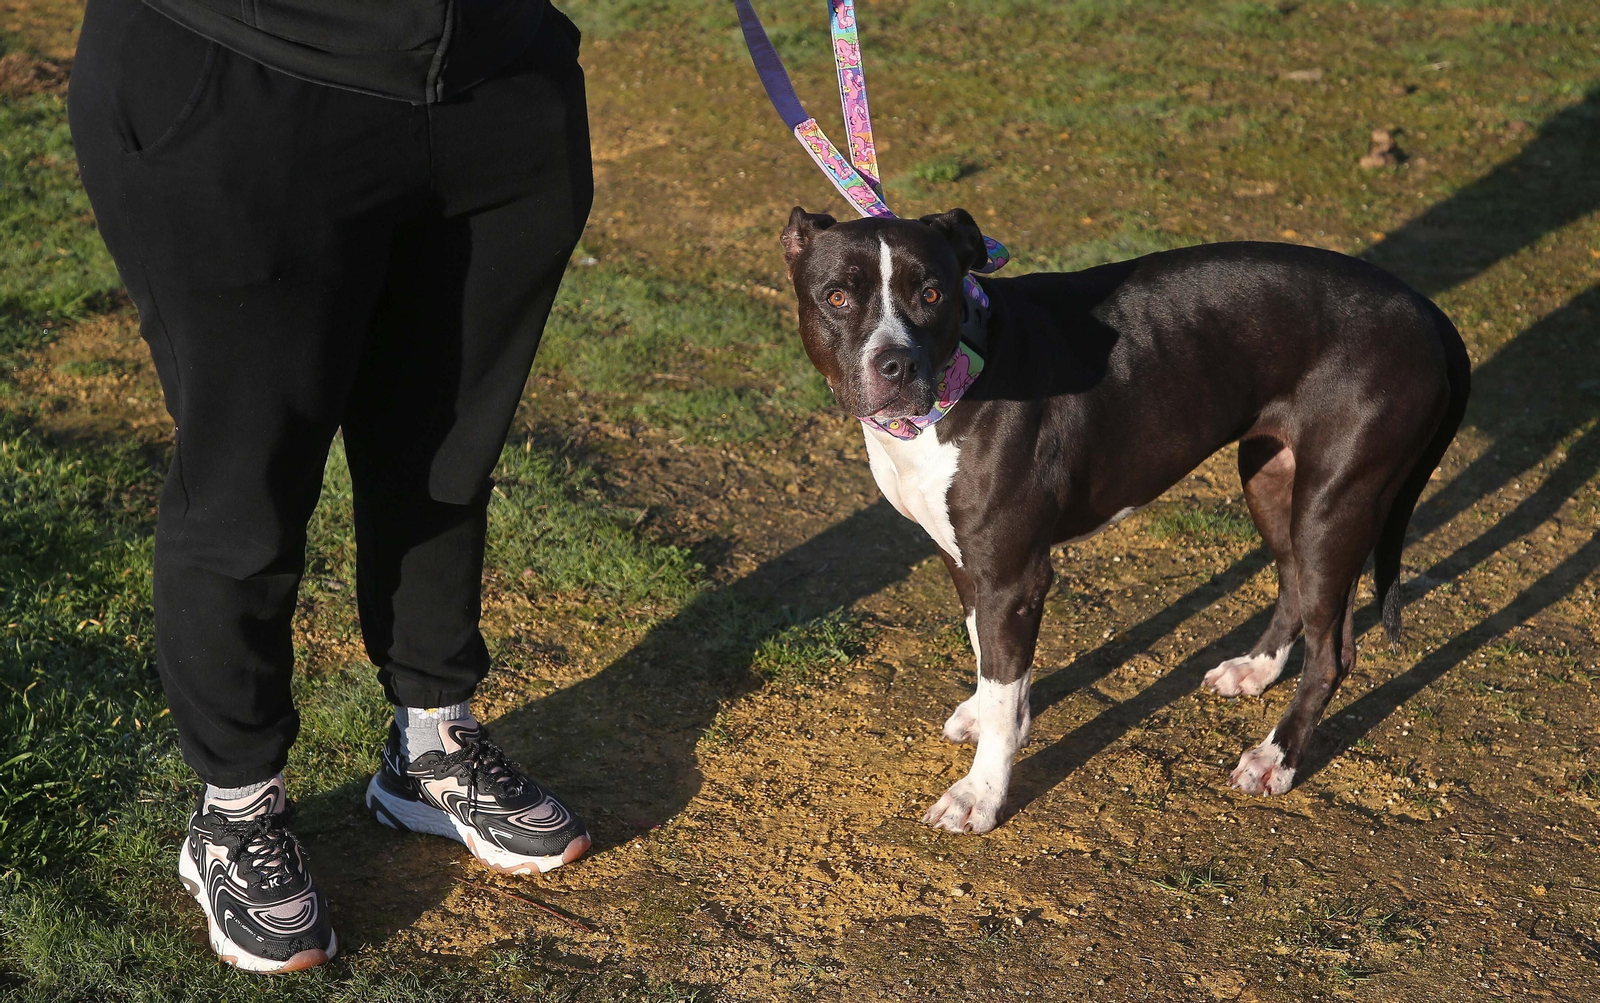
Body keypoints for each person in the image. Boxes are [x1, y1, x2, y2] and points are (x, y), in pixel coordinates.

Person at [69, 0, 593, 973]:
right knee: (246, 483)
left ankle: (430, 742)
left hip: (493, 78)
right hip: (244, 73)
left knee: (446, 448)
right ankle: (235, 809)